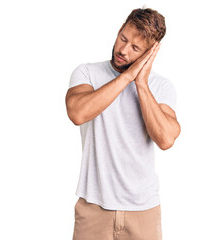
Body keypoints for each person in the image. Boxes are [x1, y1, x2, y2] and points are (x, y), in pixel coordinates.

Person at [65, 7, 181, 240]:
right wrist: (126, 77)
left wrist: (141, 84)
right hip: (93, 208)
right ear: (119, 31)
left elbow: (166, 138)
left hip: (143, 211)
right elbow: (78, 113)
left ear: (149, 53)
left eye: (135, 48)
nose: (123, 50)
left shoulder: (160, 87)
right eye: (123, 38)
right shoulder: (87, 73)